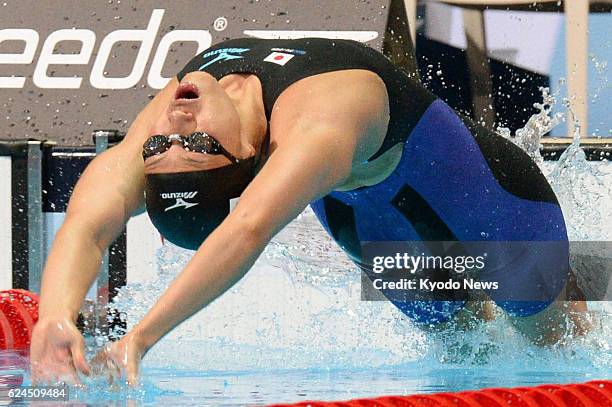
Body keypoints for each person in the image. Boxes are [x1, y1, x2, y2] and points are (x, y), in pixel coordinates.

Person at [30, 37, 587, 385]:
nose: (173, 127)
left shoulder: (285, 113)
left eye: (159, 149)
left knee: (544, 331)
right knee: (459, 350)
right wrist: (70, 322)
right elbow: (241, 228)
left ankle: (580, 287)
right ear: (250, 159)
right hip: (372, 223)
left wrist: (111, 331)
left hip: (491, 205)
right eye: (196, 147)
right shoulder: (285, 130)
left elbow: (237, 229)